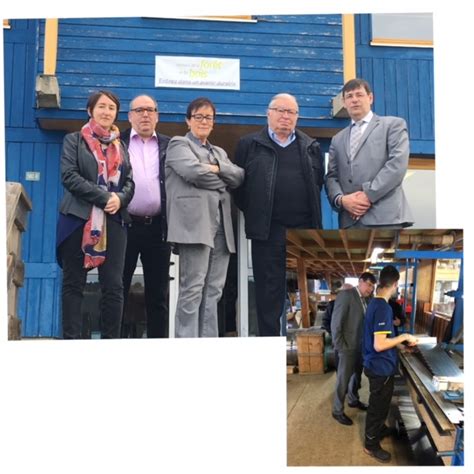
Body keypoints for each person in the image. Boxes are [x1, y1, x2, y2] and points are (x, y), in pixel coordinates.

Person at [233, 93, 324, 337]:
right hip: (268, 231)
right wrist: (258, 213)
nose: (285, 116)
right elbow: (239, 190)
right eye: (280, 110)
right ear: (268, 113)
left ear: (297, 117)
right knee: (268, 294)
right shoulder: (249, 145)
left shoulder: (311, 146)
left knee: (305, 290)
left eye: (291, 112)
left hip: (303, 232)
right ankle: (269, 347)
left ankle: (306, 346)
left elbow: (318, 185)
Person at [57, 90, 134, 339]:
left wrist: (120, 198)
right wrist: (105, 198)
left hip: (114, 220)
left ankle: (110, 342)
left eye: (111, 108)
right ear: (90, 110)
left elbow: (130, 181)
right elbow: (69, 176)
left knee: (113, 286)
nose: (106, 112)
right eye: (101, 107)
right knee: (74, 283)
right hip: (78, 218)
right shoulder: (74, 140)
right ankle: (72, 341)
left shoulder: (121, 145)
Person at [165, 97, 244, 338]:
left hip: (222, 227)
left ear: (213, 123)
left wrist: (217, 168)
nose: (203, 121)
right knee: (193, 289)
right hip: (194, 225)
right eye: (198, 116)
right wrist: (223, 179)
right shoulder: (178, 144)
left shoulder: (218, 152)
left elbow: (239, 176)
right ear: (188, 121)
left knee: (214, 291)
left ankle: (208, 345)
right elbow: (193, 172)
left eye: (208, 117)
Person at [325, 78, 414, 229]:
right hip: (349, 223)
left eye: (359, 95)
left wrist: (367, 195)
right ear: (344, 103)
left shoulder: (393, 125)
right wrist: (341, 200)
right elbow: (332, 176)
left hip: (386, 219)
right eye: (349, 96)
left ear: (370, 98)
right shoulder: (337, 139)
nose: (354, 100)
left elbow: (397, 165)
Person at [120, 95, 171, 338]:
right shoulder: (116, 142)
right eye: (139, 110)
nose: (145, 115)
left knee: (158, 294)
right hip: (124, 225)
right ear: (130, 116)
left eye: (150, 110)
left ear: (157, 116)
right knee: (117, 288)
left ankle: (158, 348)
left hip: (158, 228)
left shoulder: (169, 145)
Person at [363, 265, 417, 463]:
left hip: (380, 365)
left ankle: (378, 429)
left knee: (382, 404)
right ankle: (370, 444)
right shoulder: (383, 307)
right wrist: (403, 335)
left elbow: (386, 338)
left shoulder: (375, 304)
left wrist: (402, 347)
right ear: (395, 284)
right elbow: (379, 344)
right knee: (377, 407)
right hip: (379, 367)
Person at [331, 272, 376, 425]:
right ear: (360, 281)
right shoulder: (346, 295)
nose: (370, 289)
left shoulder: (366, 299)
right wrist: (340, 346)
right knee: (343, 380)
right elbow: (336, 323)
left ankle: (353, 400)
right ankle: (337, 411)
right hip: (347, 347)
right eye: (369, 285)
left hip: (360, 346)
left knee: (356, 377)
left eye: (372, 286)